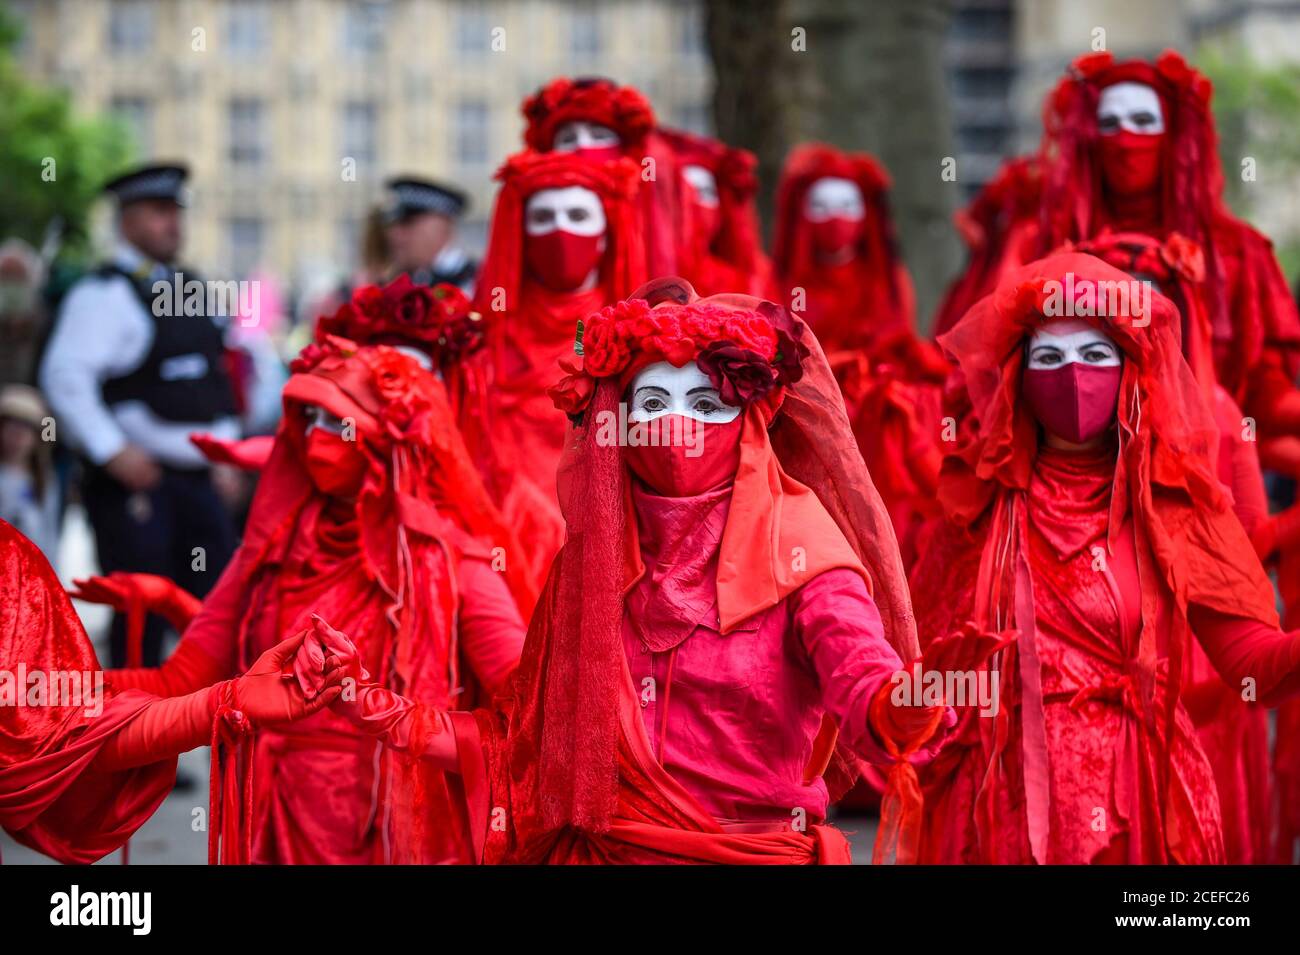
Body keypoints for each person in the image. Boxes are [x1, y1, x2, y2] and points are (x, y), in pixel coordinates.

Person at [297, 279, 1001, 865]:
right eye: (652, 404)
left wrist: (910, 698)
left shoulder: (804, 553)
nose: (676, 427)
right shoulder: (591, 561)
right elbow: (514, 745)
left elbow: (865, 687)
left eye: (706, 404)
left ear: (752, 417)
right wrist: (364, 699)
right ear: (617, 424)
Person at [72, 280, 528, 864]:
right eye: (307, 418)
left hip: (391, 839)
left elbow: (523, 705)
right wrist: (60, 694)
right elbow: (186, 678)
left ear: (383, 434)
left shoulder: (452, 561)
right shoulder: (268, 550)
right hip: (272, 823)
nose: (317, 439)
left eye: (334, 422)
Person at [912, 252, 1300, 864]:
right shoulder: (976, 503)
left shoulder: (1175, 501)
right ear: (1017, 375)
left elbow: (1251, 664)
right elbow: (916, 668)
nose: (1072, 375)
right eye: (1049, 357)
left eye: (1095, 355)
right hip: (1002, 813)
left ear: (1131, 369)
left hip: (1139, 814)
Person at [0, 516, 343, 865]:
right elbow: (58, 724)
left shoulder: (11, 557)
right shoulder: (9, 559)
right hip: (285, 802)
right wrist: (224, 698)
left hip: (335, 804)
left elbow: (61, 716)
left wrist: (172, 602)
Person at [1037, 50, 1300, 471]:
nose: (1125, 140)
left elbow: (1266, 401)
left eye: (1142, 123)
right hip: (1080, 483)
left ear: (1175, 133)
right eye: (1108, 124)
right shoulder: (1046, 251)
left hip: (1217, 472)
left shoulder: (1238, 256)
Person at [38, 162, 239, 668]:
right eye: (157, 212)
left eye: (175, 211)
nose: (171, 223)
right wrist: (112, 450)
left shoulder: (190, 288)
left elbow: (218, 379)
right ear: (126, 220)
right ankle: (137, 745)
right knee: (139, 638)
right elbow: (65, 377)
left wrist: (227, 452)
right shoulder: (102, 293)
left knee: (216, 626)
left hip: (201, 483)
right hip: (138, 487)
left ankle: (213, 740)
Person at [455, 149, 646, 591]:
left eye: (578, 214)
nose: (561, 231)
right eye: (544, 217)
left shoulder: (641, 334)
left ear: (606, 231)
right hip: (502, 556)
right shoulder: (483, 343)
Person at [521, 76, 680, 278]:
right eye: (568, 139)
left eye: (600, 136)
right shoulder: (534, 204)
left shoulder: (658, 214)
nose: (583, 147)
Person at [772, 143, 917, 360]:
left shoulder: (886, 281)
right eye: (821, 207)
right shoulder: (781, 282)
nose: (836, 218)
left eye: (847, 207)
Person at [660, 127, 773, 298]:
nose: (694, 203)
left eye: (705, 192)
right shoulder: (637, 276)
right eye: (684, 192)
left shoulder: (743, 284)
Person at [380, 176, 477, 292]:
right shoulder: (406, 280)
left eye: (407, 223)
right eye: (392, 225)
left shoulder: (476, 285)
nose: (394, 234)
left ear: (442, 226)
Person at [0, 385, 59, 566]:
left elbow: (50, 533)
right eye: (11, 428)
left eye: (25, 430)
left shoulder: (43, 479)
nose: (17, 437)